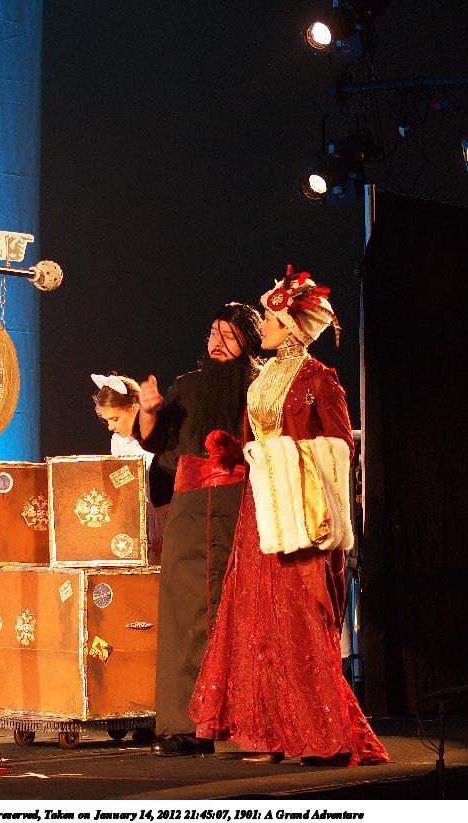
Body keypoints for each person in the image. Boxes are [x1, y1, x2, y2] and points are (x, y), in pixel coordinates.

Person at [188, 266, 390, 766]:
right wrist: (236, 453)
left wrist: (275, 456)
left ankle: (323, 737)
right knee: (257, 620)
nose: (264, 326)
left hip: (299, 515)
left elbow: (340, 448)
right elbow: (256, 442)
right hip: (259, 511)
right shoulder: (264, 378)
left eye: (273, 320)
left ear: (294, 328)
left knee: (298, 621)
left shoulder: (320, 379)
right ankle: (270, 734)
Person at [137, 302, 263, 756]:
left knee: (234, 609)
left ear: (248, 341)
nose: (217, 341)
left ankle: (231, 721)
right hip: (190, 510)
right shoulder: (187, 386)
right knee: (182, 611)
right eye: (213, 331)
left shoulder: (258, 386)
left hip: (239, 503)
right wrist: (148, 410)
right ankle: (181, 722)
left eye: (229, 334)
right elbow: (156, 439)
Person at [91, 373, 167, 563]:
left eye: (115, 419)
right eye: (107, 420)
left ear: (134, 409)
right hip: (138, 520)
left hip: (168, 515)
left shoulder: (160, 434)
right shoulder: (117, 441)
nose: (110, 427)